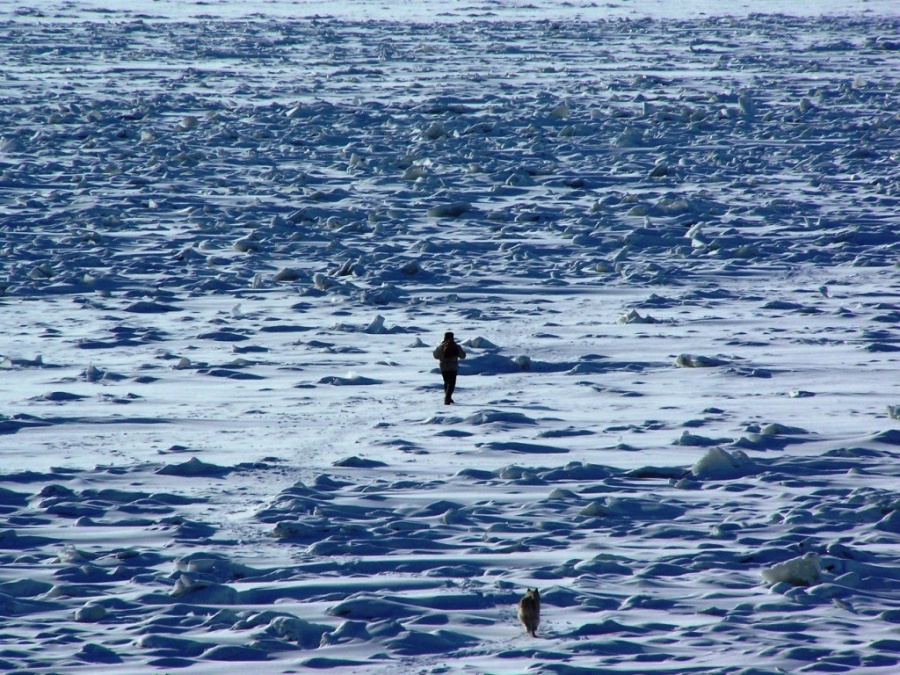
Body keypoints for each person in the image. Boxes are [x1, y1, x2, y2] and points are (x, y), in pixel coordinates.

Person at [433, 331, 466, 405]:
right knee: (451, 383)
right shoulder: (455, 346)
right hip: (453, 367)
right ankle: (447, 398)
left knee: (446, 382)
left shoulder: (440, 346)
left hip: (443, 367)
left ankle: (448, 397)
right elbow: (463, 356)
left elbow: (435, 356)